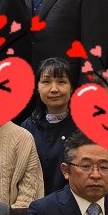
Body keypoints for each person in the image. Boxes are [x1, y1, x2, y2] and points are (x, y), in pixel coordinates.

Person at [21, 55, 76, 198]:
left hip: (71, 203)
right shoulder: (28, 127)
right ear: (38, 88)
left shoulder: (83, 127)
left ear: (71, 87)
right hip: (34, 203)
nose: (54, 89)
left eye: (61, 82)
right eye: (46, 82)